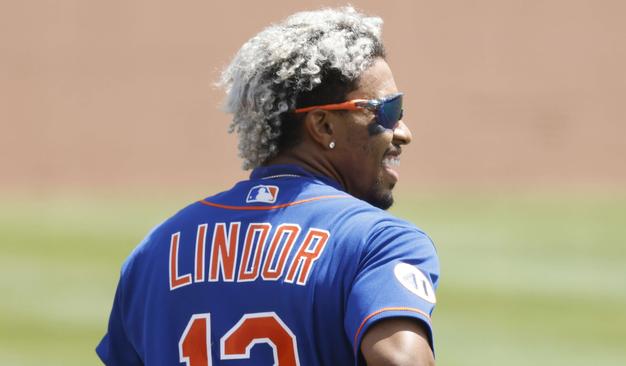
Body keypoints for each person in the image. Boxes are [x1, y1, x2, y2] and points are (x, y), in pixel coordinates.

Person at [97, 6, 440, 366]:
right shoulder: (379, 242)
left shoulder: (155, 252)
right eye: (387, 111)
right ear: (323, 126)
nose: (403, 132)